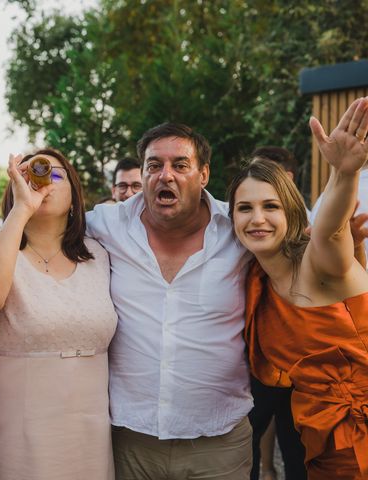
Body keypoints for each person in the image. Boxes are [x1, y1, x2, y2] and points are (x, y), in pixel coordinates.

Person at [87, 123, 253, 479]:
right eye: (154, 165)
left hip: (219, 442)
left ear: (204, 174)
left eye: (180, 165)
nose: (166, 175)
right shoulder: (105, 224)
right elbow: (41, 230)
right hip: (132, 442)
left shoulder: (238, 228)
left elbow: (297, 254)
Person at [228, 97, 368, 478]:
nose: (257, 219)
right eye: (244, 209)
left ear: (292, 213)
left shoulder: (321, 262)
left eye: (270, 206)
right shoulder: (256, 282)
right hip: (323, 440)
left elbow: (331, 226)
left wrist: (344, 173)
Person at [0, 149, 118, 479]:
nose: (43, 182)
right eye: (29, 175)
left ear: (75, 195)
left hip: (88, 436)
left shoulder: (99, 258)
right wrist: (22, 210)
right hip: (15, 437)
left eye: (54, 175)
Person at [247, 146, 307, 480]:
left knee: (298, 446)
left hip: (305, 365)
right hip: (258, 361)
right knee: (250, 439)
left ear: (288, 179)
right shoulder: (244, 227)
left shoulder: (314, 227)